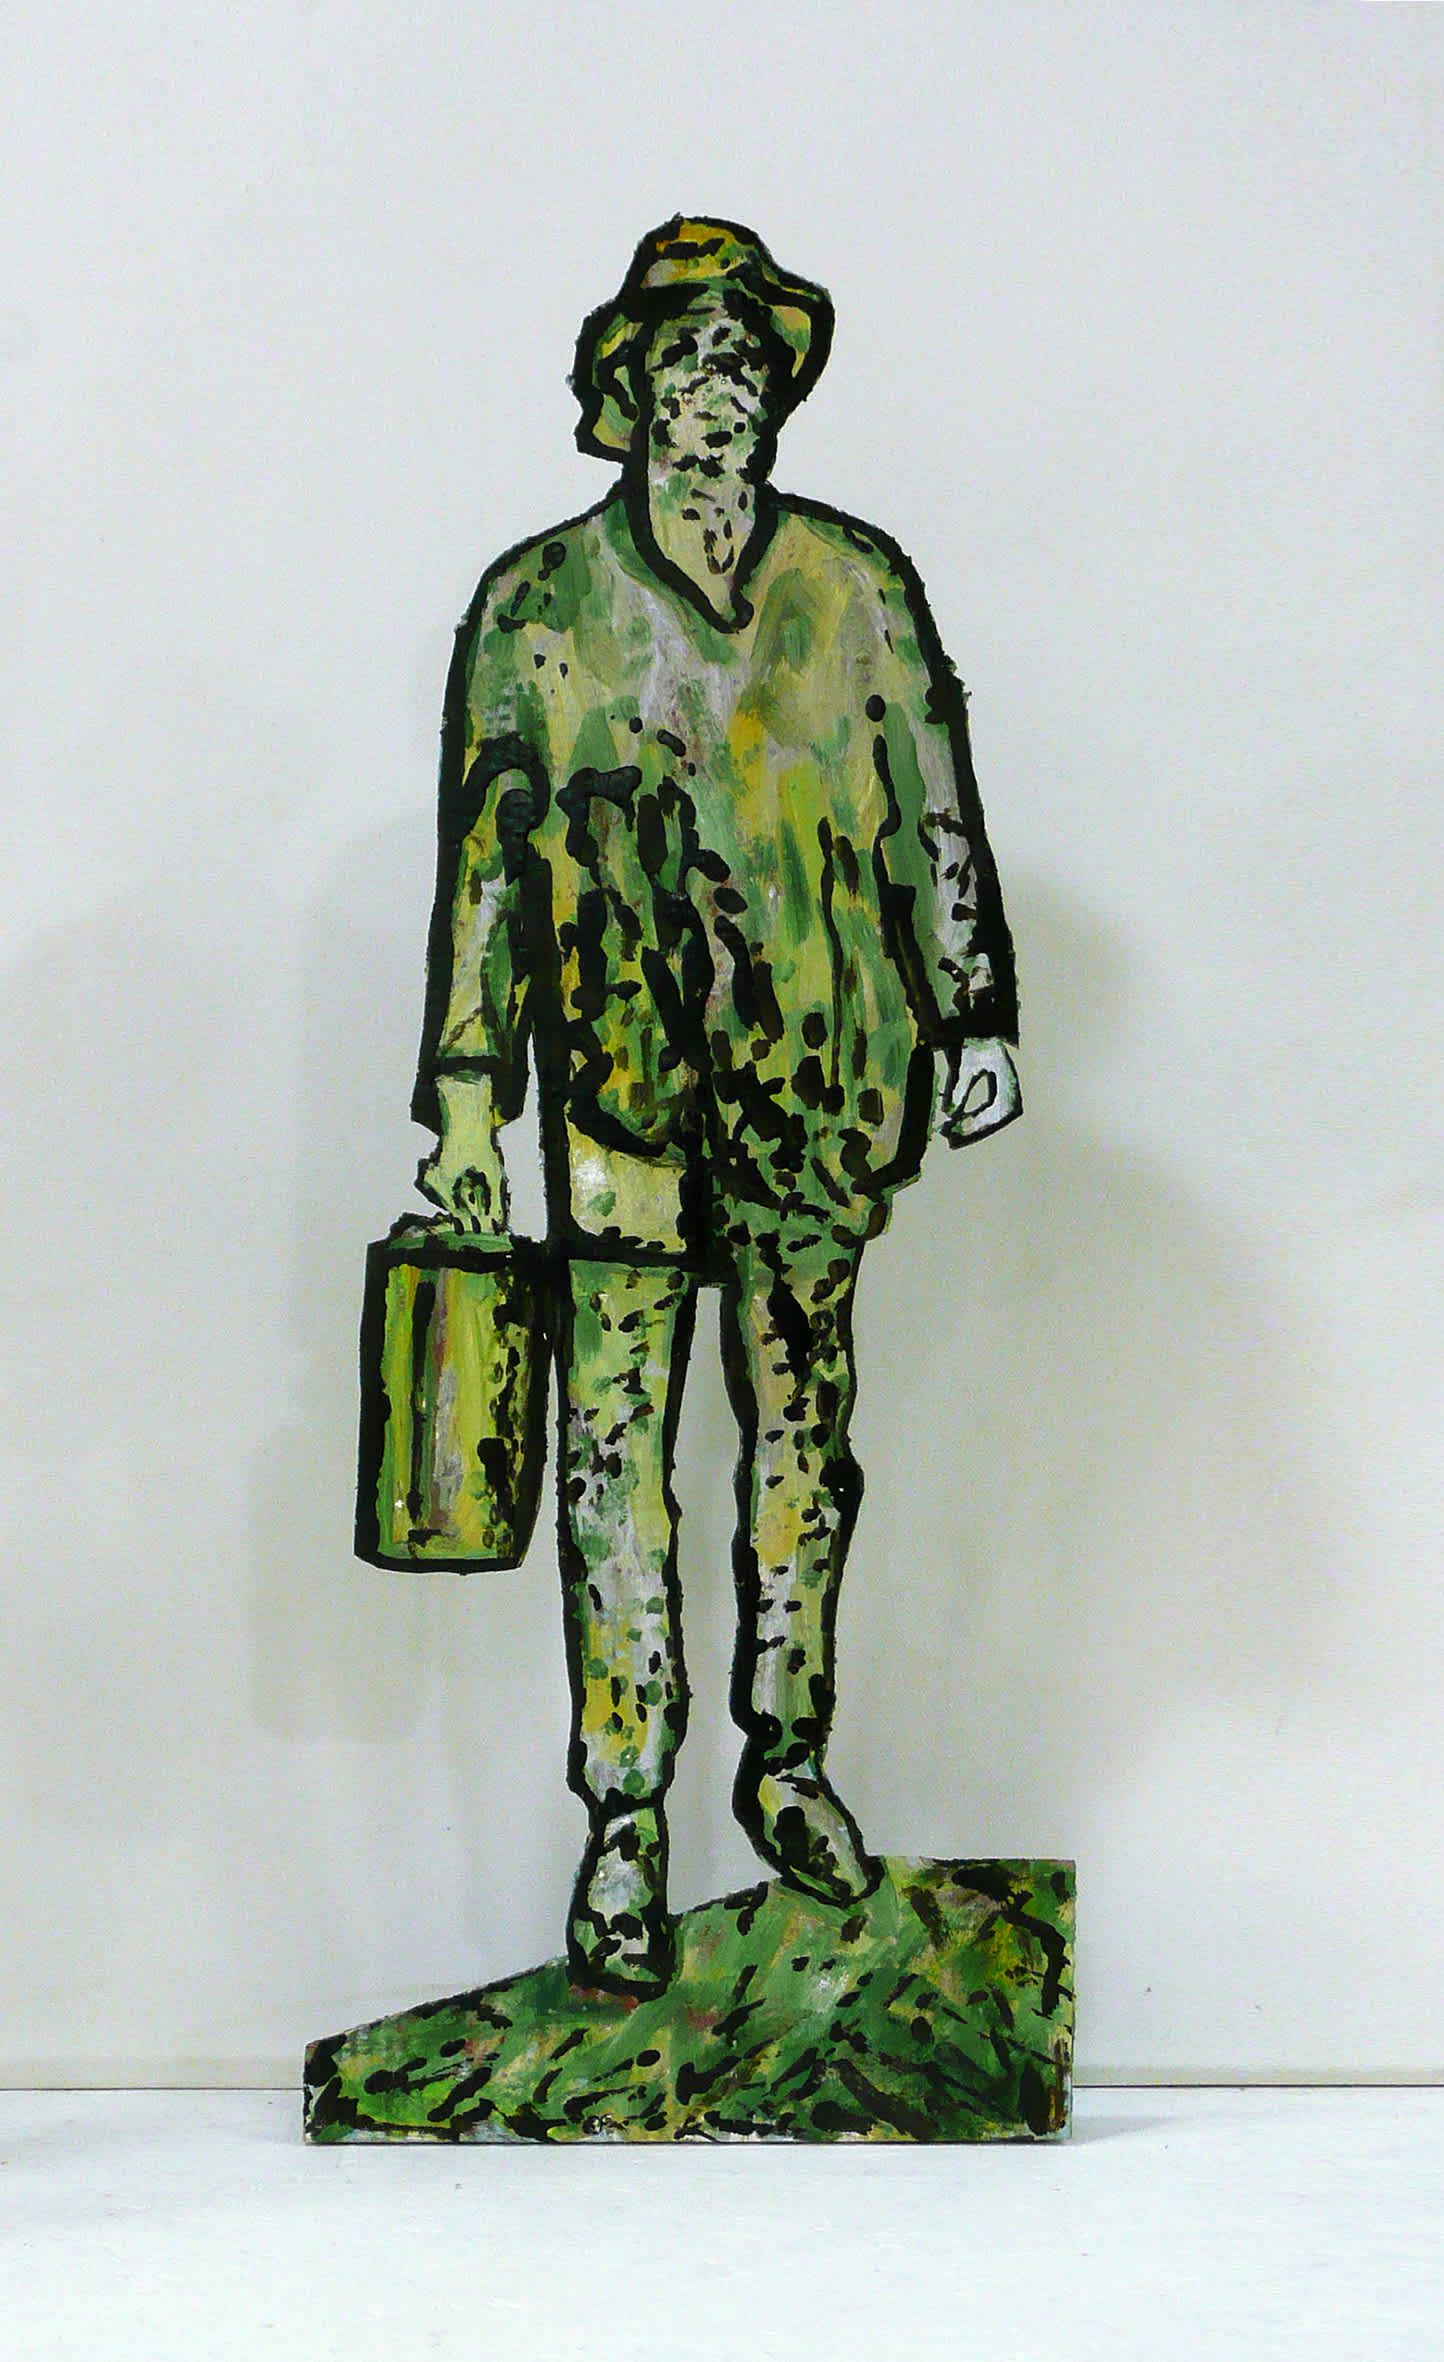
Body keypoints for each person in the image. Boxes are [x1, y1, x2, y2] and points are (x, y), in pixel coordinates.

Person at [413, 217, 1020, 1995]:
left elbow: (937, 801)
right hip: (618, 1093)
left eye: (744, 362)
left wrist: (974, 1002)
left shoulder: (861, 587)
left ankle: (788, 1757)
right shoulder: (537, 610)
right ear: (630, 388)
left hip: (824, 1080)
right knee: (613, 1451)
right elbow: (481, 877)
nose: (718, 393)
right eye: (687, 361)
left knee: (801, 1440)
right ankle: (623, 1813)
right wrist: (467, 1106)